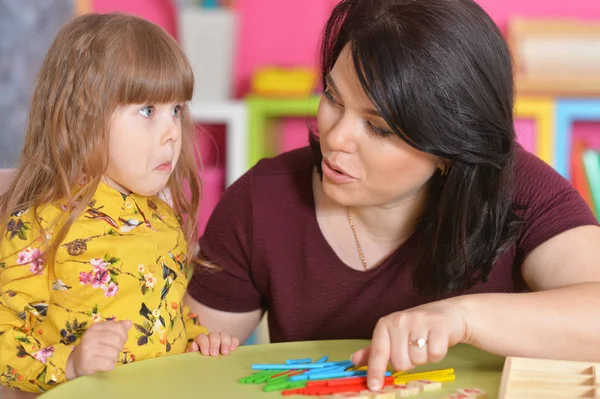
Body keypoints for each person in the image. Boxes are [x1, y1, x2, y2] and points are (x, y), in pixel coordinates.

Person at [186, 0, 600, 391]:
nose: (336, 136)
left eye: (378, 127)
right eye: (332, 97)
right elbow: (184, 363)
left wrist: (462, 317)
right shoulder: (264, 200)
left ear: (448, 151)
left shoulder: (514, 185)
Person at [0, 13, 238, 395]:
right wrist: (71, 363)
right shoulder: (36, 225)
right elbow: (5, 339)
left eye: (176, 110)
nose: (172, 132)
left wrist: (197, 338)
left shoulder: (162, 216)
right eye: (147, 110)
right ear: (82, 117)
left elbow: (163, 316)